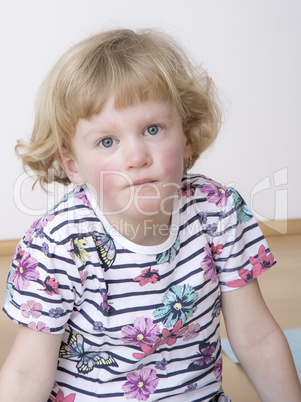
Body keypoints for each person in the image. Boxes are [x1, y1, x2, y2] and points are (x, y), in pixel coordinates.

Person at [0, 28, 300, 402]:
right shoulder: (58, 242)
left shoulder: (218, 212)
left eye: (152, 129)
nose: (136, 156)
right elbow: (27, 372)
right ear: (72, 163)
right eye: (107, 141)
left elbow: (257, 338)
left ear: (186, 136)